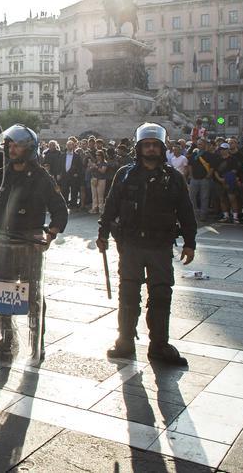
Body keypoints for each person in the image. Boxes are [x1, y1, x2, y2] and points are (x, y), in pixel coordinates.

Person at [97, 122, 197, 366]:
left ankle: (159, 344)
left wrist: (190, 242)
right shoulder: (125, 174)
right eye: (146, 145)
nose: (151, 149)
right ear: (139, 147)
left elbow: (185, 210)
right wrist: (102, 232)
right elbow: (110, 205)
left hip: (160, 245)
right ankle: (125, 342)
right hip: (130, 244)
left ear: (162, 148)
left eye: (155, 145)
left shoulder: (173, 177)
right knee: (128, 294)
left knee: (161, 294)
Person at [0, 125, 67, 359]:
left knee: (33, 295)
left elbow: (60, 209)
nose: (11, 148)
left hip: (29, 244)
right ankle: (7, 340)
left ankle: (36, 340)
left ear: (28, 149)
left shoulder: (42, 177)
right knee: (2, 293)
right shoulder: (1, 175)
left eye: (16, 144)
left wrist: (50, 233)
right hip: (1, 244)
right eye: (9, 144)